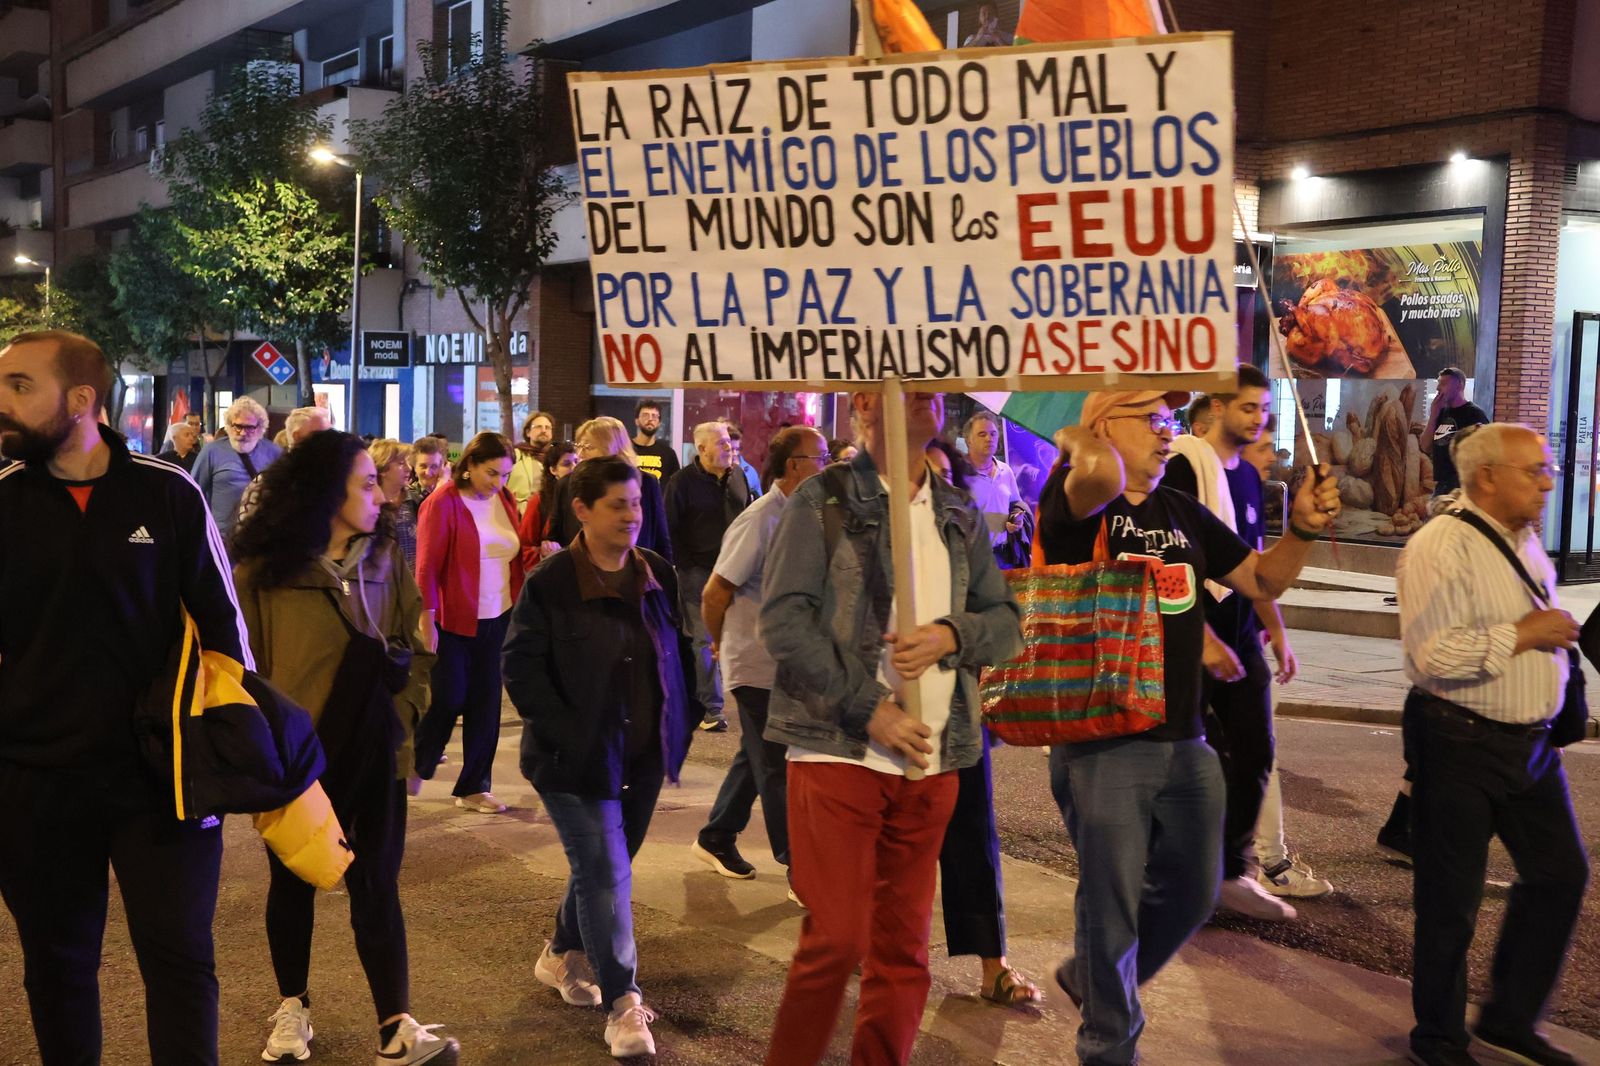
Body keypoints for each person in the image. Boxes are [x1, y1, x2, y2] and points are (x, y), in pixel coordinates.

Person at [1037, 389, 1341, 1066]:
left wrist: (1305, 530)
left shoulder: (1182, 513)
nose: (1165, 430)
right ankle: (1109, 1048)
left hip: (1185, 737)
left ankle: (1092, 981)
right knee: (1110, 907)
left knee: (1196, 889)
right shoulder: (1077, 504)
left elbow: (1263, 580)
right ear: (1102, 426)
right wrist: (1077, 437)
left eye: (1169, 419)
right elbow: (1093, 475)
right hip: (1103, 743)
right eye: (1147, 418)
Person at [0, 330, 250, 1065]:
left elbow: (226, 631)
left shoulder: (167, 491)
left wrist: (222, 749)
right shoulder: (4, 500)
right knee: (58, 970)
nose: (2, 403)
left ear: (81, 400)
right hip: (34, 783)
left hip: (162, 778)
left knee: (178, 964)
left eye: (19, 385)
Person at [761, 390, 1023, 1066]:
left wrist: (948, 634)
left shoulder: (958, 511)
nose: (924, 400)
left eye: (933, 390)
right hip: (839, 753)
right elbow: (784, 621)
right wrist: (869, 705)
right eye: (903, 388)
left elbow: (1006, 625)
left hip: (934, 761)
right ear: (864, 407)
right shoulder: (822, 500)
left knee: (904, 952)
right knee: (838, 939)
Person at [232, 431, 459, 1066]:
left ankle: (395, 1026)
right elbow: (242, 668)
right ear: (327, 492)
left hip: (378, 752)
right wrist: (267, 748)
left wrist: (405, 714)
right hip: (299, 759)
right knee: (292, 881)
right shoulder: (262, 571)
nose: (379, 494)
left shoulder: (386, 557)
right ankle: (291, 1007)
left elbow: (417, 650)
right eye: (364, 482)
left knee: (377, 887)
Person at [1395, 423, 1589, 1066]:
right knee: (1451, 900)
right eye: (1533, 469)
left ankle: (1509, 1018)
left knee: (1560, 875)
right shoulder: (1438, 546)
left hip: (1531, 748)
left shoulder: (1525, 538)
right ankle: (1439, 1038)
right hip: (1459, 739)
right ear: (1486, 477)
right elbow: (1432, 655)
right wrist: (1524, 634)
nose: (1547, 480)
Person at [502, 455, 700, 1060]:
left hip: (640, 756)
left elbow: (680, 653)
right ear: (582, 510)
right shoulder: (552, 582)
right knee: (607, 871)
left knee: (601, 868)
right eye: (618, 504)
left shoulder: (656, 572)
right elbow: (520, 667)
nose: (632, 515)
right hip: (572, 761)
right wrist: (567, 732)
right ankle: (622, 1003)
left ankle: (560, 953)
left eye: (637, 503)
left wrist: (682, 722)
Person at [1163, 366, 1330, 917]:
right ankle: (1186, 876)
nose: (1259, 419)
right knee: (1195, 763)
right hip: (1193, 637)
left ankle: (1231, 871)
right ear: (1215, 406)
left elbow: (1254, 568)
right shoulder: (1185, 466)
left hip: (1240, 636)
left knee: (1255, 750)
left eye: (1264, 410)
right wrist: (1202, 634)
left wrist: (1275, 631)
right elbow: (1168, 557)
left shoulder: (1248, 478)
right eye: (1248, 408)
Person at [928, 433, 1044, 1006]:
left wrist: (958, 635)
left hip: (956, 715)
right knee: (889, 846)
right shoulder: (866, 543)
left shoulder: (968, 544)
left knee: (972, 837)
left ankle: (992, 964)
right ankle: (870, 949)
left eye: (942, 478)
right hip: (882, 725)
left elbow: (1005, 624)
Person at [690, 427, 827, 888]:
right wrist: (718, 640)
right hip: (755, 661)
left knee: (756, 754)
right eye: (819, 457)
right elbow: (715, 591)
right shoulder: (761, 518)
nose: (826, 466)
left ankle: (716, 835)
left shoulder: (807, 515)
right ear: (795, 466)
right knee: (776, 762)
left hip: (787, 662)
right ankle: (801, 866)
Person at [413, 432, 527, 814]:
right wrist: (427, 618)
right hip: (454, 617)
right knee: (448, 698)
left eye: (506, 475)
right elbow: (427, 566)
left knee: (486, 701)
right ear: (469, 467)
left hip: (499, 615)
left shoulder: (505, 500)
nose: (498, 483)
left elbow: (513, 551)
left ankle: (475, 785)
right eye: (492, 473)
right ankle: (417, 763)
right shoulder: (442, 502)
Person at [665, 421, 754, 733]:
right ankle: (712, 709)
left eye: (729, 441)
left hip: (737, 571)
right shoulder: (681, 483)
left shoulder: (739, 477)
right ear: (701, 449)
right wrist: (686, 565)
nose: (729, 448)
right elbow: (670, 528)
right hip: (698, 573)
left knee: (740, 636)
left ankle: (745, 700)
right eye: (721, 443)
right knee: (705, 640)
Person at [544, 417, 672, 560]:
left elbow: (661, 538)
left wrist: (665, 572)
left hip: (636, 568)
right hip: (579, 570)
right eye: (579, 446)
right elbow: (555, 534)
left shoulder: (646, 482)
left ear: (614, 447)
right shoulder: (566, 484)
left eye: (588, 447)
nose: (580, 454)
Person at [191, 395, 283, 542]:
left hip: (262, 537)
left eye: (249, 427)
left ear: (260, 428)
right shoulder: (212, 451)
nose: (242, 433)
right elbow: (193, 493)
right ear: (229, 425)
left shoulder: (274, 453)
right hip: (222, 537)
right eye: (238, 426)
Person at [237, 405, 334, 527]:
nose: (330, 442)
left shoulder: (335, 478)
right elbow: (246, 534)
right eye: (321, 435)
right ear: (297, 436)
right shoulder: (266, 484)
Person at [961, 411, 1032, 569]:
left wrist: (1016, 519)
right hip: (973, 560)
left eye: (993, 434)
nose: (989, 438)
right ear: (968, 441)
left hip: (1005, 556)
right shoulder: (959, 473)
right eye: (982, 434)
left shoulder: (1005, 471)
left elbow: (1015, 504)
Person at [1425, 367, 1490, 497]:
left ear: (1459, 385)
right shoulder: (1440, 413)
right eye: (1439, 383)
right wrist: (1433, 416)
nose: (1438, 388)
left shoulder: (1474, 414)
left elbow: (1486, 450)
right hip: (1442, 484)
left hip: (1463, 486)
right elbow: (1424, 445)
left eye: (1443, 384)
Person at [370, 438, 419, 569]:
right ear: (383, 468)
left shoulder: (415, 501)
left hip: (412, 582)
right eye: (401, 463)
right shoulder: (370, 506)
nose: (409, 469)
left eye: (408, 463)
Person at [507, 412, 551, 513]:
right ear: (528, 432)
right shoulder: (515, 455)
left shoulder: (556, 459)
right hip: (519, 516)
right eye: (538, 427)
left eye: (548, 427)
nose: (544, 430)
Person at [631, 399, 680, 481]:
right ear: (636, 421)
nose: (650, 419)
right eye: (645, 415)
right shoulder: (624, 450)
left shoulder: (668, 454)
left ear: (659, 423)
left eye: (654, 416)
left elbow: (676, 486)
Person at [404, 436, 449, 526]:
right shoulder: (408, 497)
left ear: (443, 467)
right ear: (414, 467)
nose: (428, 473)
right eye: (423, 466)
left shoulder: (453, 495)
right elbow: (429, 524)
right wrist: (441, 484)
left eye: (434, 466)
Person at [725, 421, 763, 497]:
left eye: (737, 449)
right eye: (730, 449)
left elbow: (759, 501)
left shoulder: (750, 471)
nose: (735, 453)